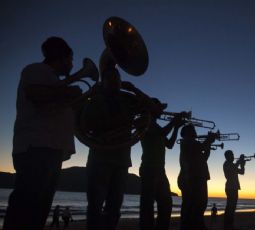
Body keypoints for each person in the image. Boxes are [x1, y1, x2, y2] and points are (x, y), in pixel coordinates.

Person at [4, 37, 82, 230]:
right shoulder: (36, 70)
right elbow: (38, 96)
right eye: (71, 59)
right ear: (62, 57)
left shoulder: (53, 80)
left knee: (37, 213)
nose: (72, 64)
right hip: (37, 148)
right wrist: (68, 91)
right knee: (25, 211)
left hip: (49, 151)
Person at [81, 68, 150, 230]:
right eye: (110, 78)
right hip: (100, 159)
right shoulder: (95, 100)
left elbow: (153, 108)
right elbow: (86, 125)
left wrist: (133, 89)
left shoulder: (127, 100)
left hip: (122, 160)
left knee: (114, 207)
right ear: (103, 82)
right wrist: (118, 122)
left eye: (117, 78)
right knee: (95, 207)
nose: (114, 81)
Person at [139, 99, 184, 230]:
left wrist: (176, 127)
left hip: (160, 169)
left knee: (166, 204)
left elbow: (169, 144)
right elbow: (160, 134)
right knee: (147, 206)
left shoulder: (158, 126)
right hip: (149, 168)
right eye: (159, 108)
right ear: (152, 109)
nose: (162, 111)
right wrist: (173, 122)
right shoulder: (144, 122)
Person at [178, 124, 216, 230]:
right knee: (191, 206)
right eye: (193, 130)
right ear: (187, 133)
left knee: (201, 204)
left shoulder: (194, 144)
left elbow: (204, 157)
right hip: (190, 178)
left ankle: (198, 225)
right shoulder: (186, 142)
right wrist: (208, 140)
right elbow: (201, 147)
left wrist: (208, 144)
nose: (195, 132)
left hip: (199, 177)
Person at [223, 150, 245, 229]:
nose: (233, 156)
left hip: (234, 187)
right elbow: (232, 169)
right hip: (230, 187)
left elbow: (242, 172)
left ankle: (230, 224)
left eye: (233, 155)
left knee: (232, 207)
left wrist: (242, 165)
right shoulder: (226, 164)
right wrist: (239, 162)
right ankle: (227, 225)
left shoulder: (232, 164)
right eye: (231, 155)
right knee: (230, 207)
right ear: (227, 156)